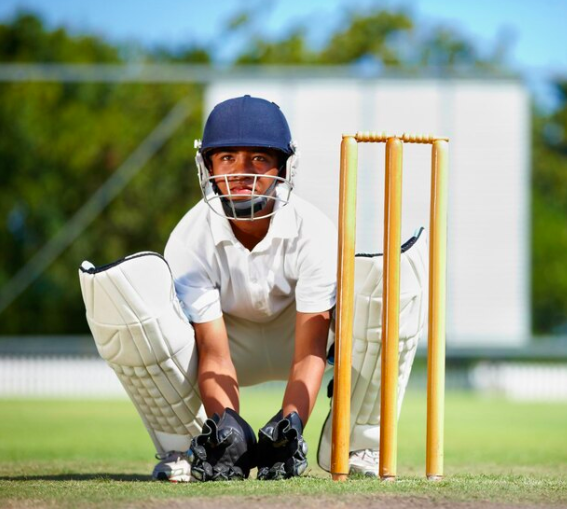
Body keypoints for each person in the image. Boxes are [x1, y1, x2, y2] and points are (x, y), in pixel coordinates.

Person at [78, 95, 427, 482]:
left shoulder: (313, 231)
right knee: (130, 307)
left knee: (386, 289)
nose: (241, 172)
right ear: (207, 166)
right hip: (227, 345)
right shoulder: (190, 238)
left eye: (258, 159)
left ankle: (354, 444)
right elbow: (214, 356)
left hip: (297, 339)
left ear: (283, 166)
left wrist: (290, 423)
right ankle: (188, 446)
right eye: (227, 158)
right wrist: (227, 425)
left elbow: (310, 351)